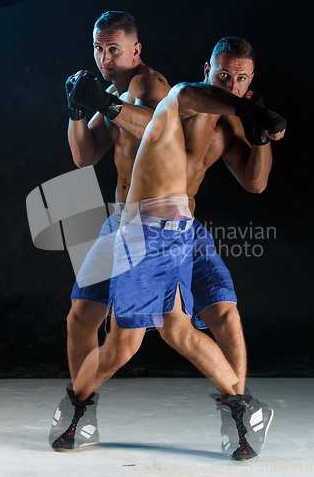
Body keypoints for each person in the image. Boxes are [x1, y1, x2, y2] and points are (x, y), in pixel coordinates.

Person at [49, 29, 286, 460]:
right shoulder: (178, 97)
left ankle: (240, 414)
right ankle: (85, 413)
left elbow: (255, 182)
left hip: (178, 227)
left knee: (219, 315)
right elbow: (98, 150)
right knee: (85, 317)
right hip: (129, 223)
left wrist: (260, 134)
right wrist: (83, 110)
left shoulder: (231, 119)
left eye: (241, 80)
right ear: (207, 72)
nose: (231, 86)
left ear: (251, 81)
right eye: (223, 76)